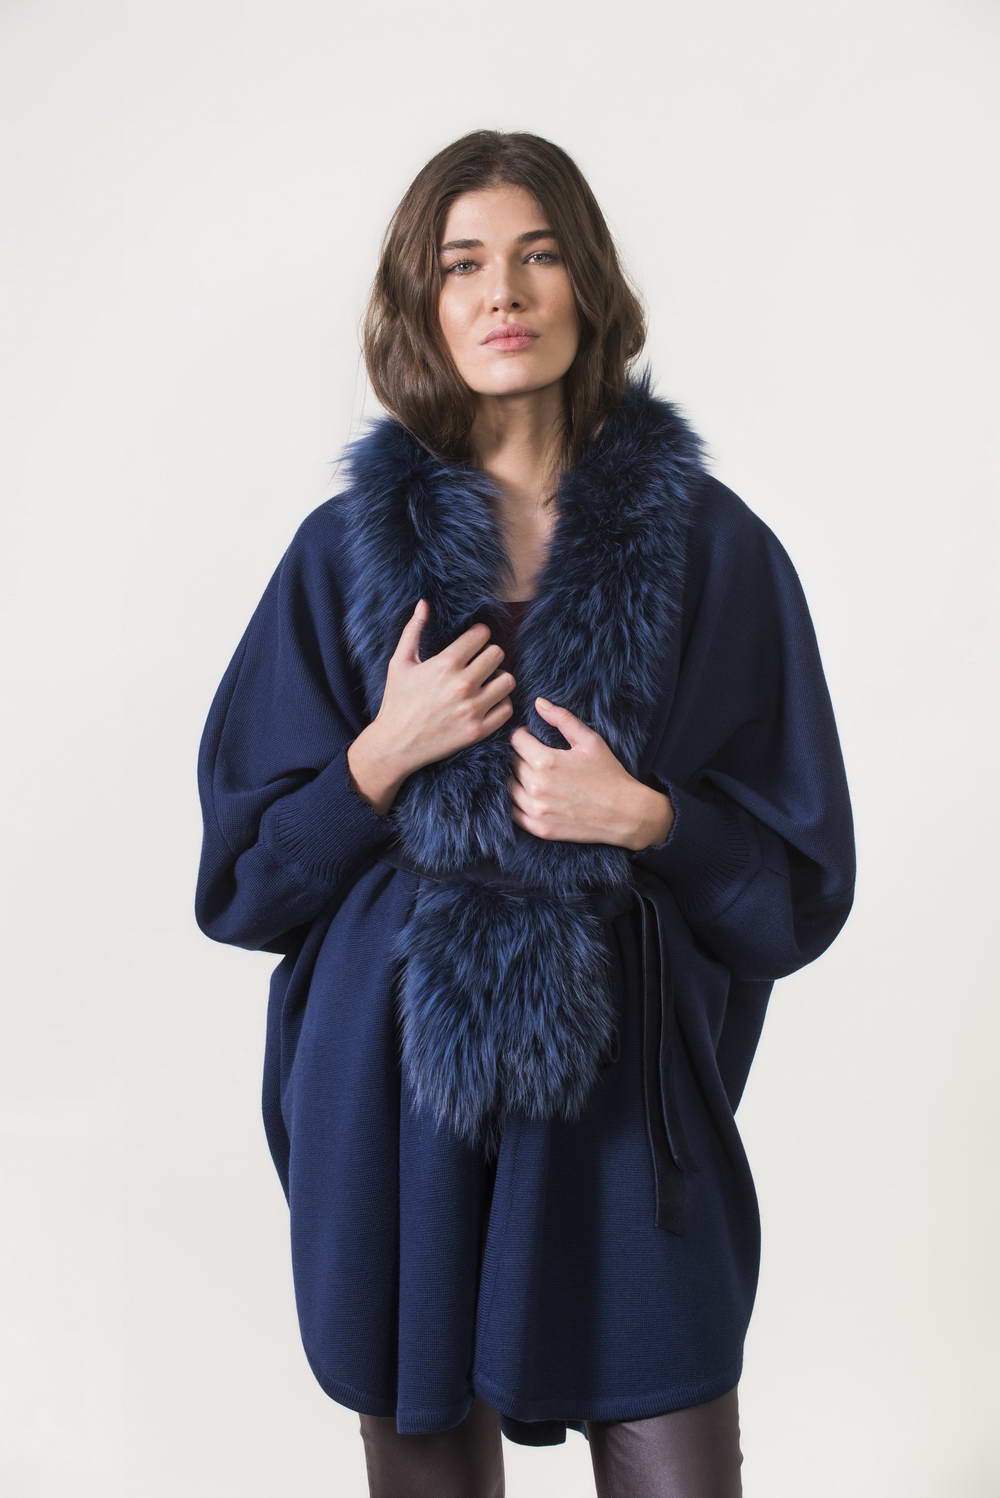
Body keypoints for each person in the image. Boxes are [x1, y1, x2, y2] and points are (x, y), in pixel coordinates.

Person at [194, 129, 856, 1498]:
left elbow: (797, 886)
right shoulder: (340, 559)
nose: (503, 291)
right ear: (423, 303)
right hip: (397, 1114)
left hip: (626, 1122)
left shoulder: (711, 548)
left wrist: (649, 818)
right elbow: (244, 885)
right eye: (464, 264)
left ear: (588, 286)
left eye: (538, 255)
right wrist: (380, 757)